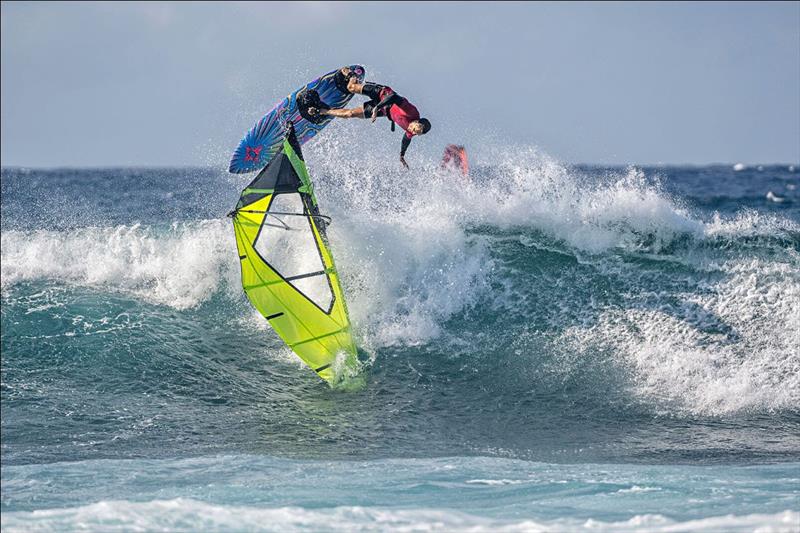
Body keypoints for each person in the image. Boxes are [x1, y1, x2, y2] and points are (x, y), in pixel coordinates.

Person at [310, 81, 431, 168]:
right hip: (382, 94)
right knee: (351, 87)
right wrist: (377, 106)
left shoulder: (413, 131)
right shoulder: (411, 111)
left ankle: (321, 111)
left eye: (416, 133)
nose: (413, 132)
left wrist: (402, 155)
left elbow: (406, 139)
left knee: (350, 114)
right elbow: (393, 97)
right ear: (417, 121)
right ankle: (351, 74)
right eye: (415, 129)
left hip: (382, 110)